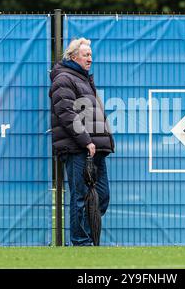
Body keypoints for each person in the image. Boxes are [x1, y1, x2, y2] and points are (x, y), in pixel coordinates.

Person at [49, 38, 115, 246]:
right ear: (73, 56)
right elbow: (65, 113)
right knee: (80, 196)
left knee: (101, 196)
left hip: (95, 149)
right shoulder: (63, 78)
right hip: (77, 147)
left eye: (91, 55)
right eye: (86, 55)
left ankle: (86, 236)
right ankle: (80, 241)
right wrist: (86, 141)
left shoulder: (84, 79)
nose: (90, 59)